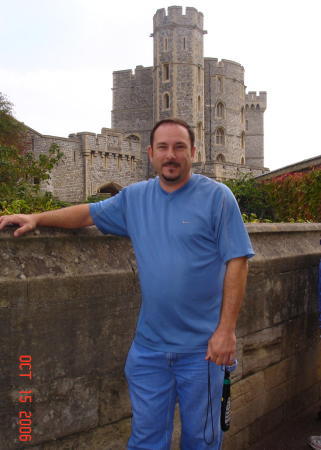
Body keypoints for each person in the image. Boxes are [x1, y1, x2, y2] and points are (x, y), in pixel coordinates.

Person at [0, 118, 254, 449]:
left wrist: (226, 332)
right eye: (163, 147)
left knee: (202, 441)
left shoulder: (218, 197)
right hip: (149, 351)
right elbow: (87, 214)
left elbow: (238, 261)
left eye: (179, 147)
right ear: (151, 153)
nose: (171, 155)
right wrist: (37, 218)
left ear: (193, 151)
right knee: (146, 442)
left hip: (203, 352)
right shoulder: (135, 197)